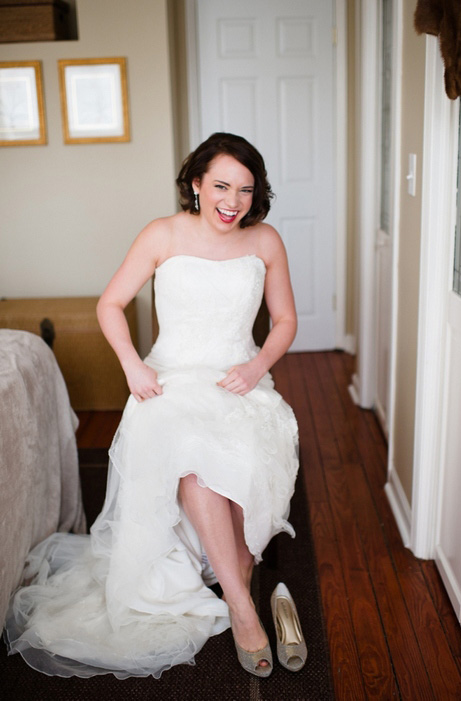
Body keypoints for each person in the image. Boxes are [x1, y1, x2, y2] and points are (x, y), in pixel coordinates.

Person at [5, 132, 299, 679]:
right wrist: (132, 366)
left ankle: (231, 571)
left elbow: (284, 321)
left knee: (250, 461)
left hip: (239, 377)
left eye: (244, 190)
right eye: (220, 186)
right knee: (191, 455)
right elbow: (110, 303)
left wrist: (257, 368)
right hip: (169, 380)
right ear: (195, 183)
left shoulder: (266, 242)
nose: (232, 201)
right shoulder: (162, 233)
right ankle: (242, 606)